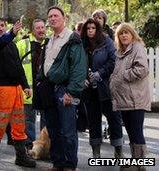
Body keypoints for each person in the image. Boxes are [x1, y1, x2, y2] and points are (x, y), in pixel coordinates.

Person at [36, 6, 87, 171]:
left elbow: (79, 69)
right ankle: (58, 164)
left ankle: (69, 165)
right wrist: (39, 82)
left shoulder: (72, 38)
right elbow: (44, 64)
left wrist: (71, 92)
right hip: (49, 90)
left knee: (68, 132)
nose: (52, 18)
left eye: (55, 15)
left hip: (64, 89)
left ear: (64, 18)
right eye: (50, 16)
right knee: (53, 130)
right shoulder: (49, 40)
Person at [0, 17, 36, 169]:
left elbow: (19, 67)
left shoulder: (11, 45)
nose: (0, 28)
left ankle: (21, 157)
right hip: (1, 89)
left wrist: (25, 85)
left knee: (19, 125)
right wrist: (12, 33)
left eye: (2, 26)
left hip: (16, 89)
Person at [110, 23, 151, 171]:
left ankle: (140, 164)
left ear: (132, 34)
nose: (124, 35)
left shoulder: (137, 47)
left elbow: (142, 69)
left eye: (127, 32)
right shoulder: (121, 51)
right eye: (121, 33)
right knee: (132, 131)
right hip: (125, 99)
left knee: (136, 131)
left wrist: (124, 75)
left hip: (135, 99)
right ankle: (136, 162)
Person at [80, 18, 123, 159]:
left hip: (105, 87)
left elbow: (113, 61)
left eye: (93, 28)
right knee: (93, 121)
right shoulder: (81, 44)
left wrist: (100, 73)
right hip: (88, 89)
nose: (90, 30)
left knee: (114, 119)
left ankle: (118, 150)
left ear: (97, 29)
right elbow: (76, 64)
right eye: (88, 28)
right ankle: (96, 153)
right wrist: (83, 78)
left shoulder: (107, 42)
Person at [16, 18, 47, 150]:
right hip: (28, 88)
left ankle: (43, 148)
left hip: (45, 89)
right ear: (32, 31)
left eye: (42, 27)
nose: (41, 30)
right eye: (38, 28)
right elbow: (15, 65)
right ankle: (29, 147)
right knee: (28, 119)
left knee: (46, 120)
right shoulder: (22, 44)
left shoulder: (51, 43)